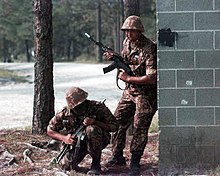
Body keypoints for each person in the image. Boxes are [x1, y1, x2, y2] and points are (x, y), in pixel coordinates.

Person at [104, 15, 157, 176]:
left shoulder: (148, 48)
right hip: (129, 91)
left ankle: (135, 162)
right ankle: (117, 156)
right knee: (117, 122)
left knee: (140, 126)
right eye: (126, 31)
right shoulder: (127, 43)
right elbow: (127, 61)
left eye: (132, 31)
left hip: (145, 94)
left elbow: (152, 77)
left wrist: (128, 78)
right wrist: (115, 58)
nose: (128, 34)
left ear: (139, 31)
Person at [47, 86, 118, 175]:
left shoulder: (97, 107)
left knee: (91, 129)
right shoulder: (64, 113)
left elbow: (115, 126)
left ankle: (95, 164)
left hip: (97, 139)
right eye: (78, 106)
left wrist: (95, 122)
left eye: (83, 103)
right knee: (67, 166)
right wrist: (64, 138)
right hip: (77, 143)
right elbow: (50, 130)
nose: (81, 107)